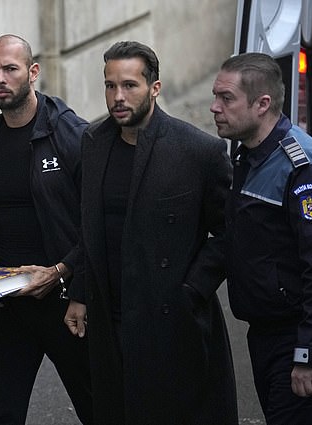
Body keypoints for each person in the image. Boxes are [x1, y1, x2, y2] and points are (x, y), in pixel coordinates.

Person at [64, 41, 238, 424]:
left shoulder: (199, 151)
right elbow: (91, 228)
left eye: (130, 86)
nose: (118, 97)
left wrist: (192, 290)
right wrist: (79, 293)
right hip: (111, 320)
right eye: (110, 86)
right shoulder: (93, 142)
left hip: (171, 321)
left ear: (154, 88)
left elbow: (229, 234)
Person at [210, 52, 312, 425]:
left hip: (300, 334)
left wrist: (307, 354)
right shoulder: (250, 155)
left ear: (262, 104)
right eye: (215, 96)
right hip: (267, 333)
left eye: (226, 98)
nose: (214, 108)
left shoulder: (303, 169)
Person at [0, 34, 93, 424]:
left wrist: (61, 272)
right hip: (6, 302)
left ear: (33, 72)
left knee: (99, 405)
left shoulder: (72, 134)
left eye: (10, 69)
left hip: (65, 298)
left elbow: (98, 224)